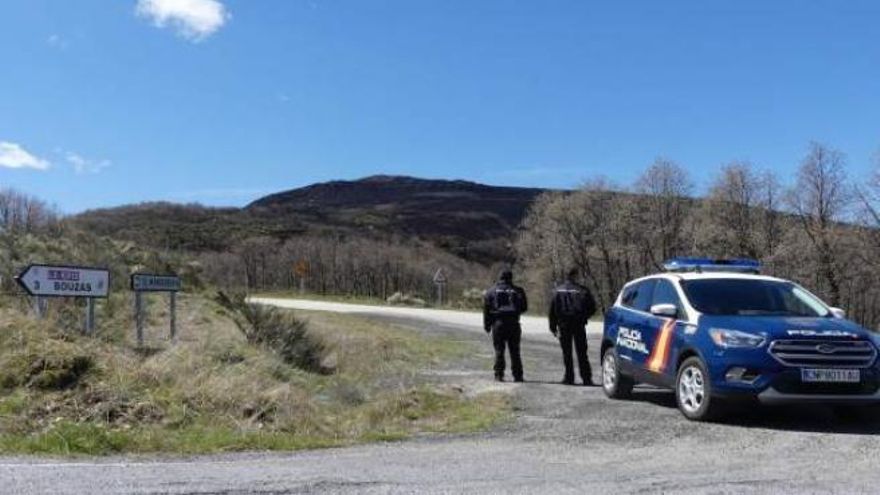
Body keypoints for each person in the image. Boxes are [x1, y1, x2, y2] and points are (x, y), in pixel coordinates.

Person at [549, 268, 598, 386]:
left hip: (563, 324)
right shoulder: (583, 290)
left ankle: (569, 377)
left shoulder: (557, 291)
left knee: (567, 352)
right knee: (582, 352)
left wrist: (553, 326)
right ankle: (586, 378)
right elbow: (592, 308)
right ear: (575, 276)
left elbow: (552, 311)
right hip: (578, 324)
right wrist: (584, 317)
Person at [483, 268, 528, 382]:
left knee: (499, 350)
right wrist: (515, 311)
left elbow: (486, 309)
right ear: (511, 278)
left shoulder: (491, 291)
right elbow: (524, 307)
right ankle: (518, 375)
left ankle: (499, 374)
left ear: (500, 278)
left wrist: (487, 325)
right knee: (515, 351)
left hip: (498, 323)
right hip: (514, 323)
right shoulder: (518, 290)